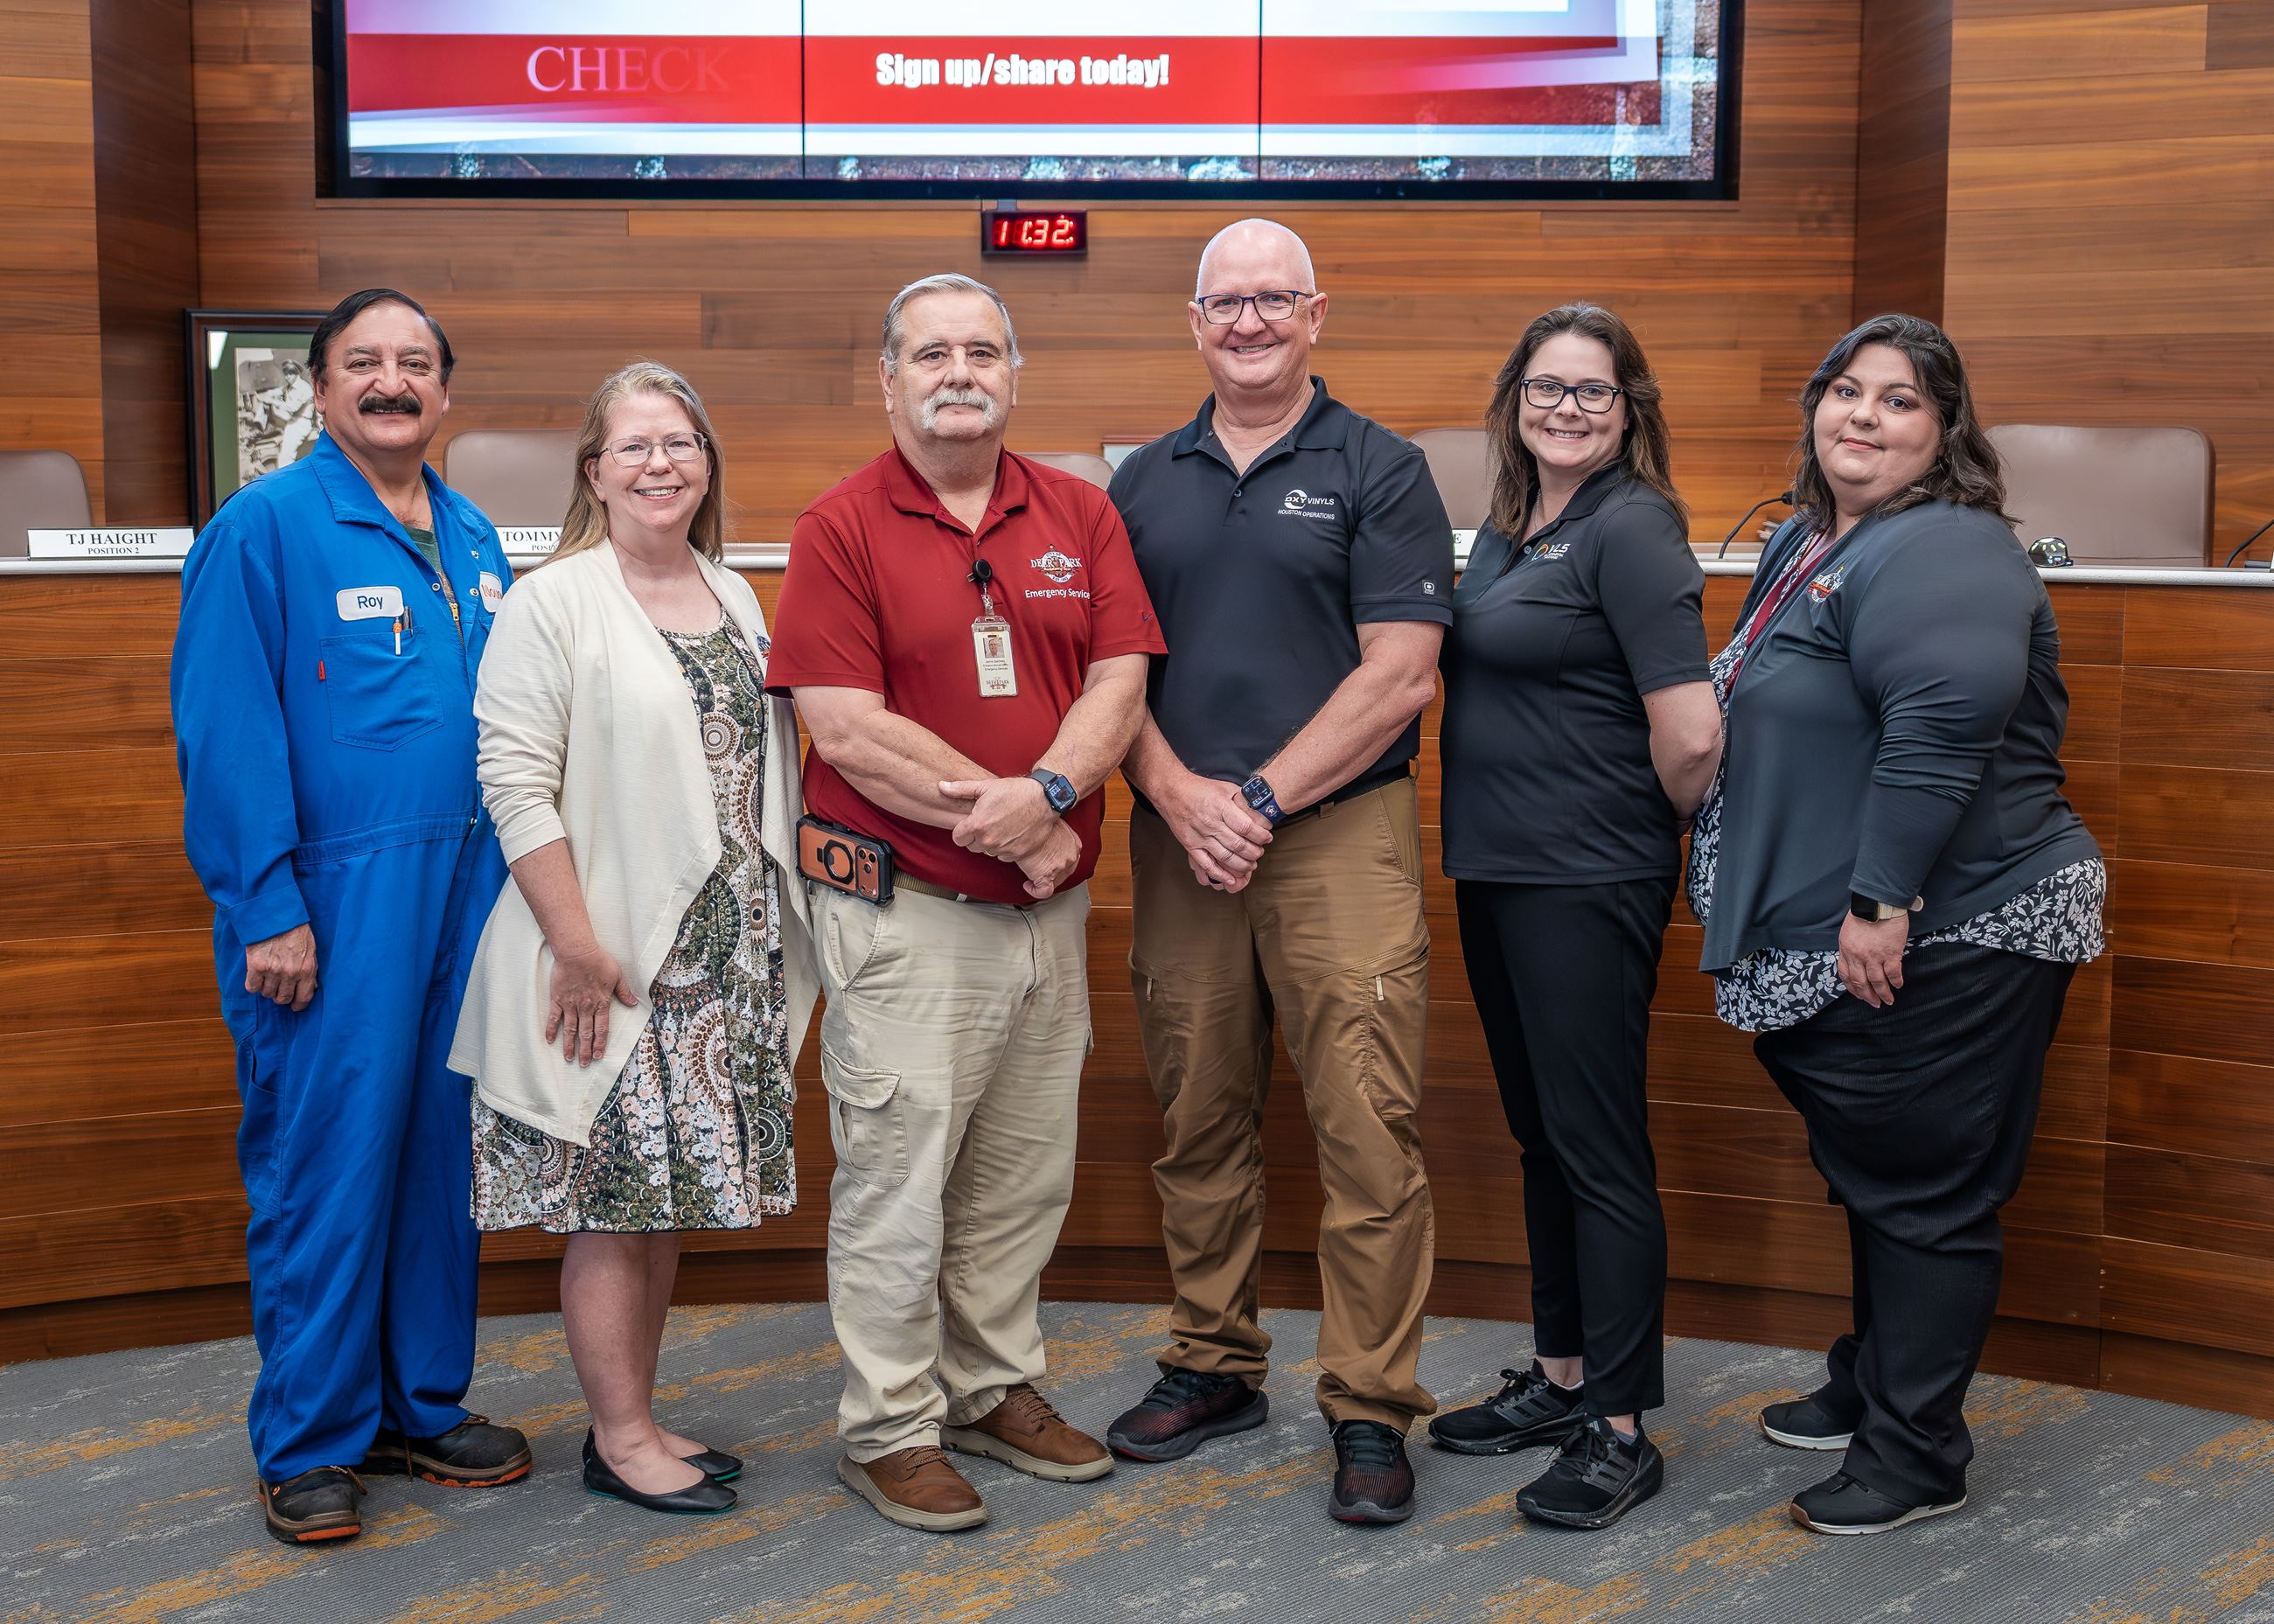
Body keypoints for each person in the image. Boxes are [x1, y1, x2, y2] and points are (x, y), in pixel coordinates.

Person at [1691, 313, 2104, 1536]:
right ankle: (1874, 1381)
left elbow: (1939, 730)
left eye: (1901, 399)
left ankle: (1916, 1454)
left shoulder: (1948, 547)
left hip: (1949, 924)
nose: (1864, 415)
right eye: (1846, 390)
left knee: (1926, 1190)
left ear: (1946, 431)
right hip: (1865, 925)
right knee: (1881, 1174)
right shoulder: (1814, 535)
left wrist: (1879, 904)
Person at [767, 273, 1163, 1533]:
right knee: (900, 1176)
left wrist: (1051, 794)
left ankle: (991, 1385)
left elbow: (1120, 680)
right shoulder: (839, 526)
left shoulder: (1081, 512)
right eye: (931, 353)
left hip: (1049, 915)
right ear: (889, 378)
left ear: (1013, 374)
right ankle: (889, 1426)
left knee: (1020, 1174)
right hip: (909, 913)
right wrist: (1010, 819)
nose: (959, 373)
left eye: (981, 352)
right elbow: (844, 725)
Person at [1102, 219, 1453, 1525]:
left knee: (1367, 1128)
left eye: (1273, 300)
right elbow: (1110, 675)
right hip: (1181, 832)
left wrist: (1256, 798)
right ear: (1194, 323)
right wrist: (1180, 795)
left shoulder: (1382, 467)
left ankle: (1370, 1404)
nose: (1248, 322)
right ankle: (1213, 1361)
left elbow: (1400, 674)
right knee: (1198, 1115)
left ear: (1315, 315)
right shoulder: (1141, 480)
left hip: (1336, 833)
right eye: (1226, 302)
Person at [170, 288, 530, 1545]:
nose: (393, 381)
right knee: (326, 1163)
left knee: (438, 1159)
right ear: (321, 389)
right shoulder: (263, 528)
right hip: (329, 905)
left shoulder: (472, 533)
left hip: (464, 895)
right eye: (365, 361)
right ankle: (312, 1437)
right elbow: (225, 732)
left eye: (416, 363)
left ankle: (417, 1404)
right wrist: (266, 904)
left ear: (445, 391)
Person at [448, 363, 819, 1516]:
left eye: (681, 443)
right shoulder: (553, 601)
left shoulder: (734, 591)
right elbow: (513, 782)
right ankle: (618, 1437)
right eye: (635, 446)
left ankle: (640, 1415)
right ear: (594, 473)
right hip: (613, 959)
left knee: (664, 1202)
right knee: (614, 1205)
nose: (661, 464)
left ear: (707, 465)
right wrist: (573, 944)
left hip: (724, 960)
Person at [1428, 303, 1720, 1528]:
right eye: (1545, 386)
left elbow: (1692, 735)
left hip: (1586, 878)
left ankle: (1620, 1426)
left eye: (1592, 390)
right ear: (1514, 401)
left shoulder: (1632, 525)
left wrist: (1626, 841)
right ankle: (1560, 1381)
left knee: (1598, 1148)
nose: (1565, 407)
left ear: (1628, 408)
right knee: (1544, 1137)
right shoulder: (1510, 527)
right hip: (1500, 873)